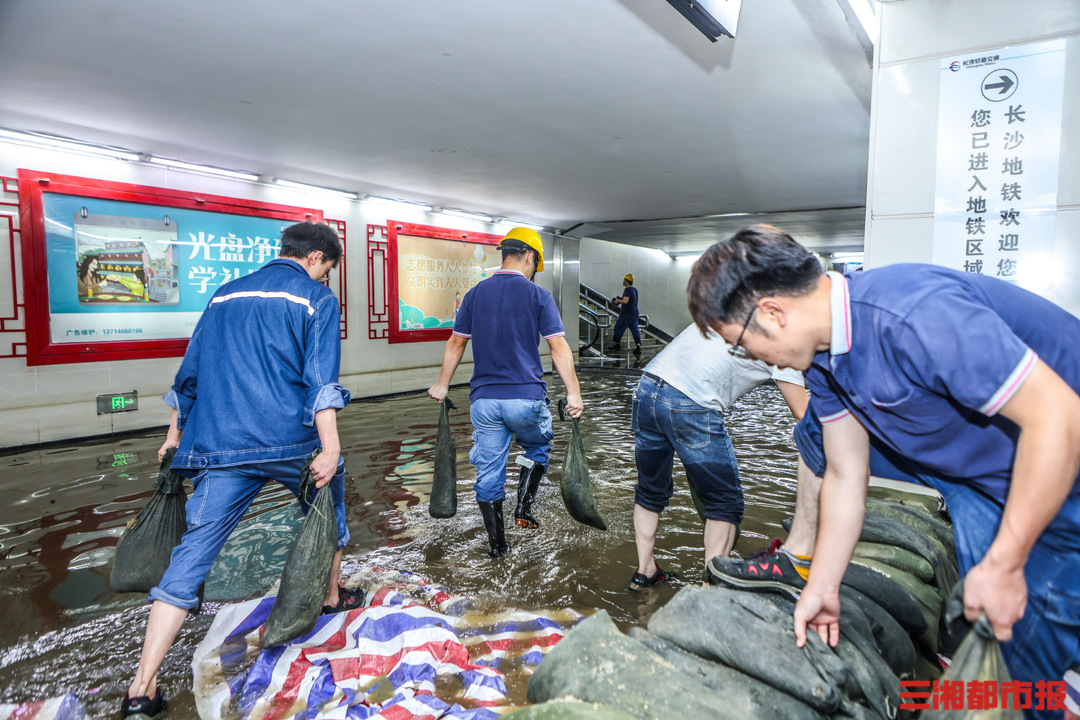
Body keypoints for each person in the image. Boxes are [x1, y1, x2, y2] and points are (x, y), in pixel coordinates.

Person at [687, 223, 1080, 720]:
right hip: (979, 480)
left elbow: (1059, 418)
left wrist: (1004, 565)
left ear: (772, 313)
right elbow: (845, 474)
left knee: (1034, 631)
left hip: (1060, 463)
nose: (750, 357)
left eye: (740, 344)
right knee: (1002, 636)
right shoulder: (824, 360)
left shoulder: (913, 315)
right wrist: (823, 587)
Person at [121, 222, 357, 718]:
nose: (327, 278)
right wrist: (331, 447)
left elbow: (188, 377)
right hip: (290, 442)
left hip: (220, 445)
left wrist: (173, 436)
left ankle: (141, 690)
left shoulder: (223, 295)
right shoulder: (315, 299)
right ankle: (332, 599)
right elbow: (320, 381)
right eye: (329, 269)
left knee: (190, 559)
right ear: (316, 258)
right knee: (328, 510)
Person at [427, 227, 584, 557]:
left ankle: (498, 548)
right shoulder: (538, 295)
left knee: (488, 474)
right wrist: (574, 393)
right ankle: (523, 509)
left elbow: (456, 343)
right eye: (535, 265)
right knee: (537, 446)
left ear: (505, 254)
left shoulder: (475, 294)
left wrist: (442, 384)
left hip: (484, 401)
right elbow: (558, 347)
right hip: (525, 398)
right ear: (530, 257)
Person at [629, 322, 807, 589]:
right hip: (690, 401)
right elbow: (803, 414)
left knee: (649, 491)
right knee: (725, 502)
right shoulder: (787, 339)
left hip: (647, 387)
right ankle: (710, 589)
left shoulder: (732, 308)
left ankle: (645, 572)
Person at [608, 273, 640, 353]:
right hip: (634, 313)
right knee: (635, 330)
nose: (623, 281)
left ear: (627, 281)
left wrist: (618, 300)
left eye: (624, 280)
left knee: (618, 327)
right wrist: (620, 299)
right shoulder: (635, 289)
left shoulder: (627, 290)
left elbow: (625, 301)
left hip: (627, 313)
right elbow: (631, 300)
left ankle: (617, 344)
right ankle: (638, 346)